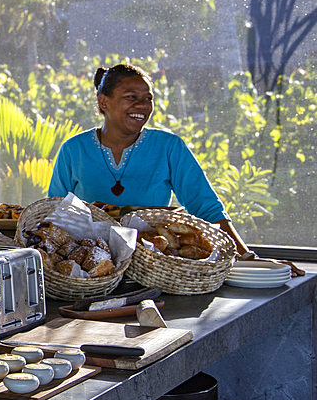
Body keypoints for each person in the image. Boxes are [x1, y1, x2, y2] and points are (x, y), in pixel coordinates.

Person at [48, 63, 303, 275]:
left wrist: (247, 257)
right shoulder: (73, 150)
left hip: (155, 267)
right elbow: (53, 213)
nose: (143, 106)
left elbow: (206, 207)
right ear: (104, 102)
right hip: (90, 270)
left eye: (148, 99)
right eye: (131, 98)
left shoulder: (169, 147)